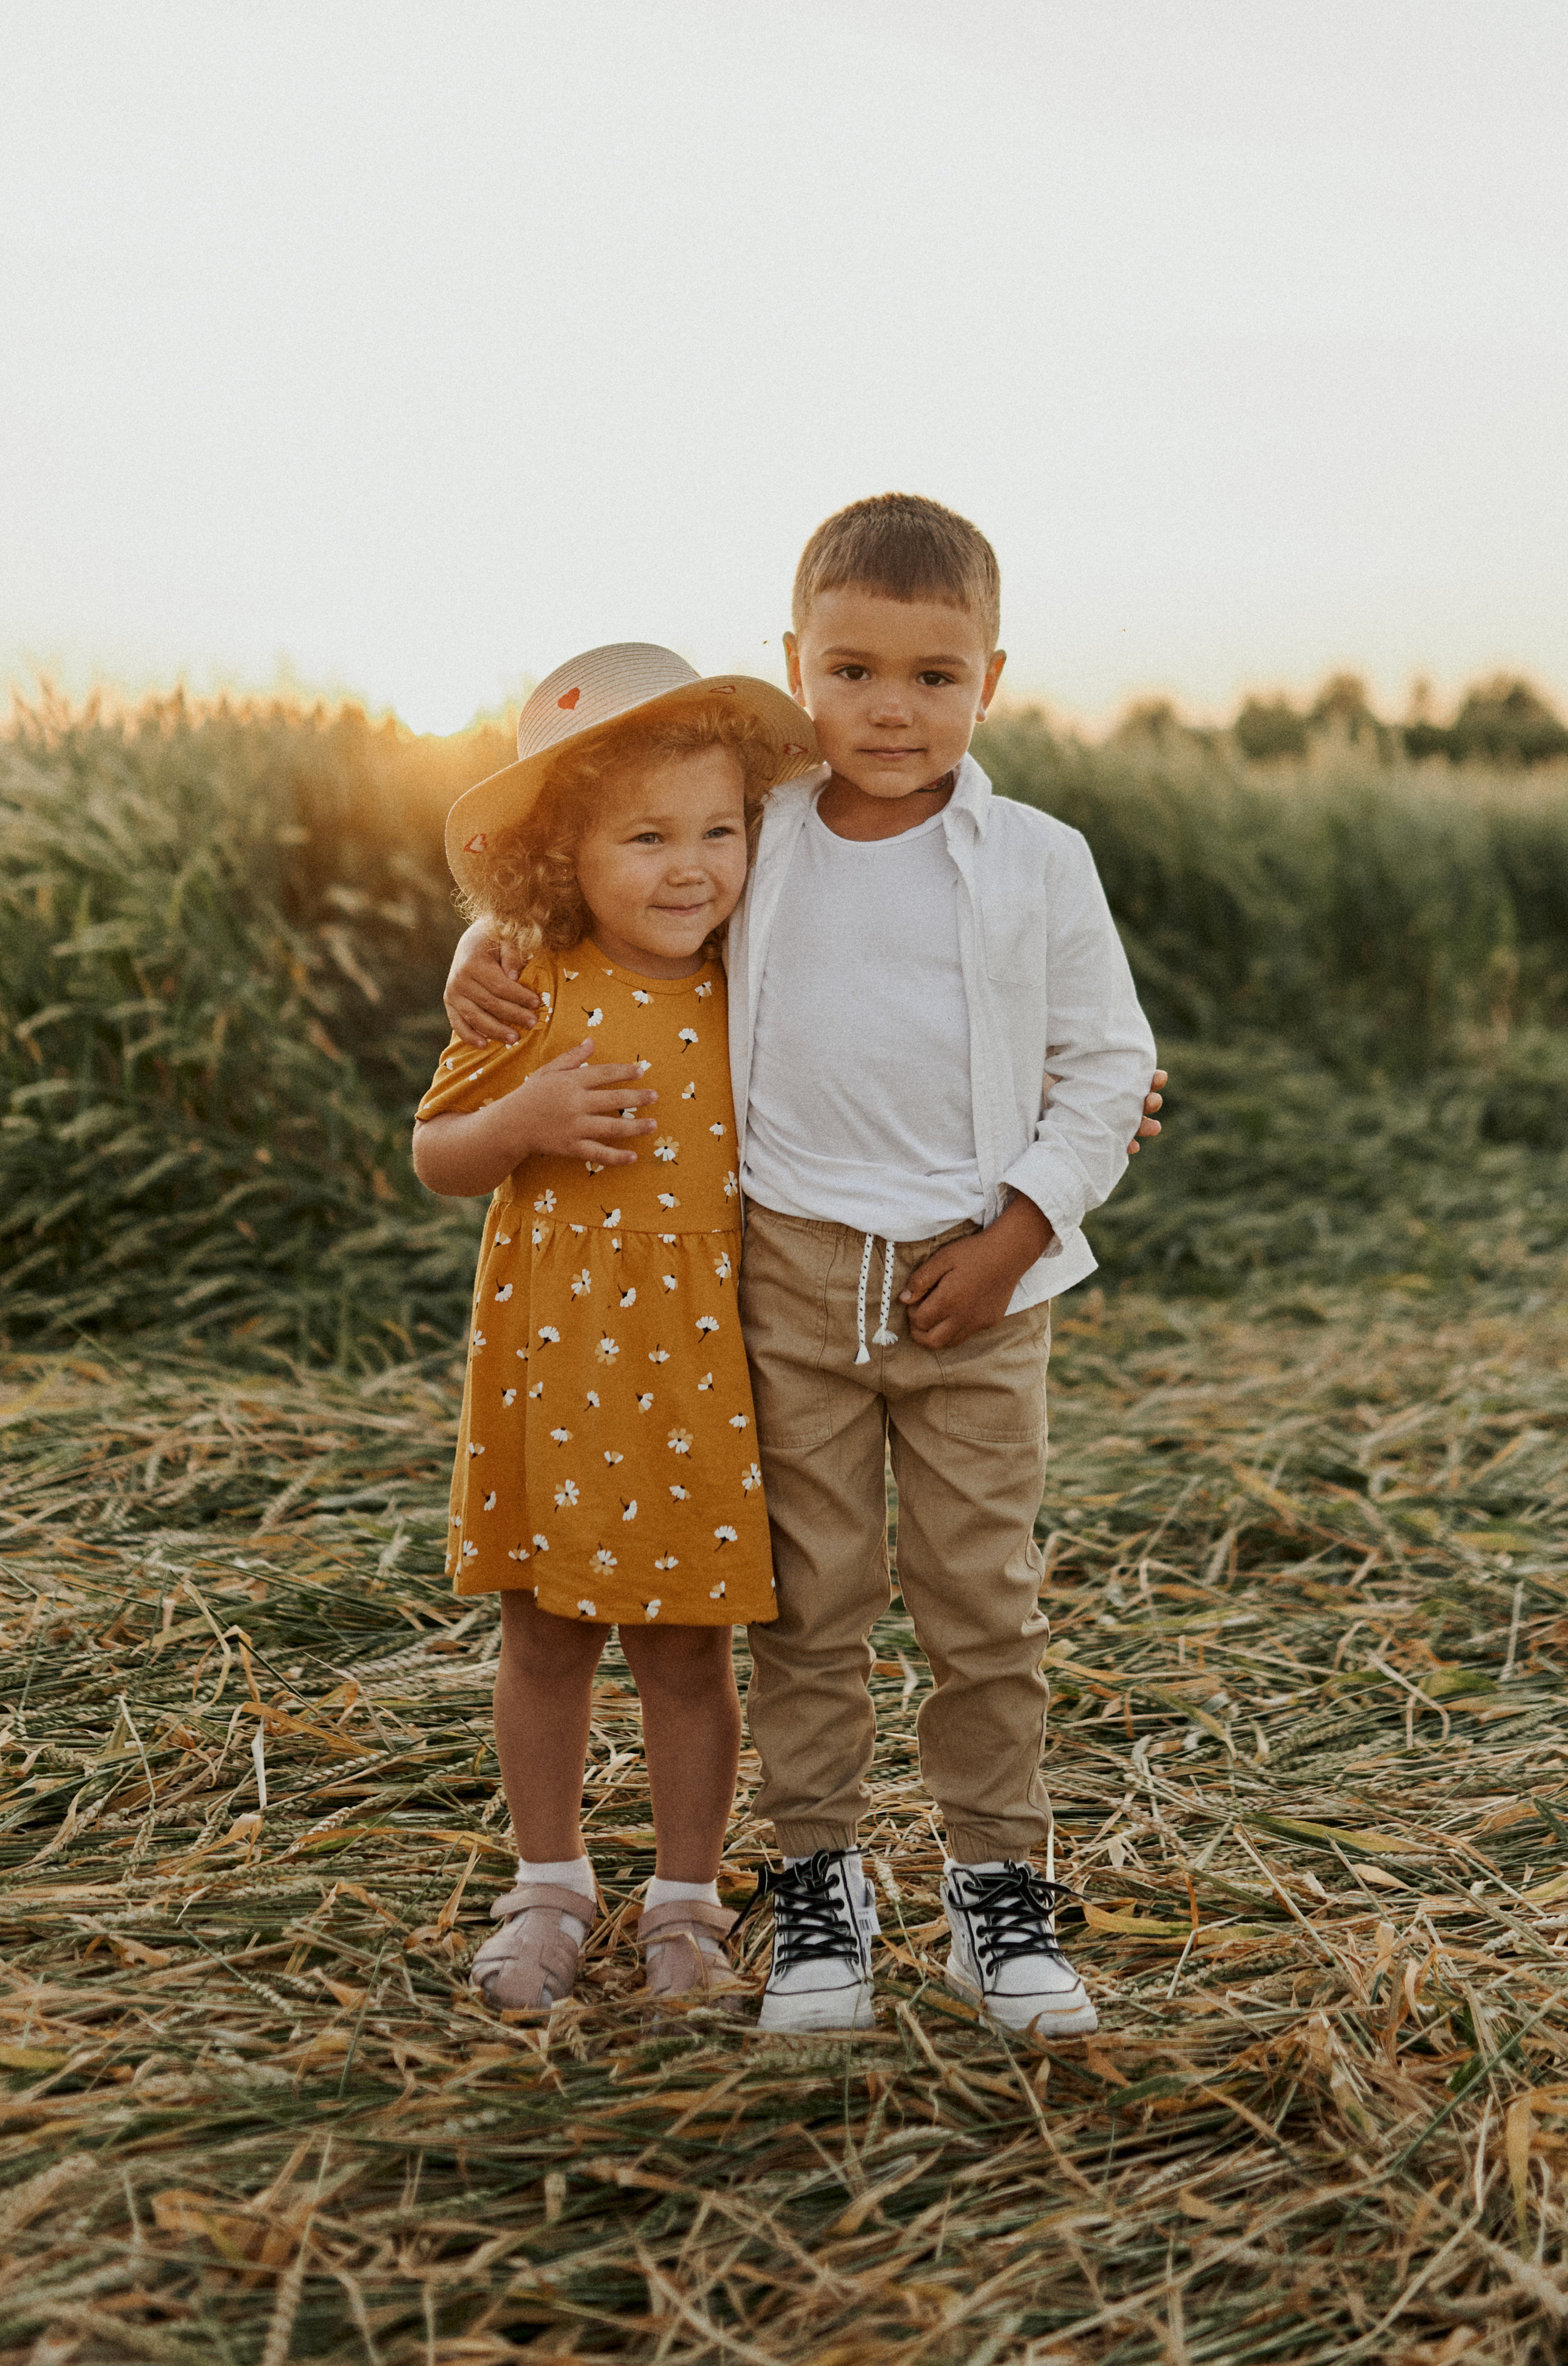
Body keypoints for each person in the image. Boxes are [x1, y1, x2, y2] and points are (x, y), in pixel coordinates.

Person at [445, 496, 1160, 2041]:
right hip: (784, 1272)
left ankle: (995, 1895)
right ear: (795, 667)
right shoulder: (758, 840)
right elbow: (614, 893)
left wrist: (1021, 1229)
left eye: (930, 675)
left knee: (981, 1602)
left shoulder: (1035, 859)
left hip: (980, 1279)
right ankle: (817, 1888)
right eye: (849, 671)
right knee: (808, 1607)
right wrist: (479, 942)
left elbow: (1108, 1061)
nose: (888, 710)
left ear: (990, 681)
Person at [412, 642, 819, 2011]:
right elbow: (436, 1151)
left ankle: (686, 1902)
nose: (689, 866)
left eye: (717, 830)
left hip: (703, 1368)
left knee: (687, 1648)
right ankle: (548, 1882)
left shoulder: (755, 971)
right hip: (557, 1354)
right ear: (558, 861)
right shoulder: (528, 978)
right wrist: (517, 1123)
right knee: (541, 1632)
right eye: (644, 837)